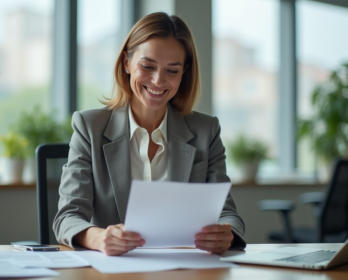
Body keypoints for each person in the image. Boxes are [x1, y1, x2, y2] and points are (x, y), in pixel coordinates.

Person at [53, 12, 246, 256]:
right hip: (113, 270)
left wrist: (226, 234)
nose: (158, 80)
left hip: (183, 269)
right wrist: (99, 237)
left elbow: (228, 213)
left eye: (172, 71)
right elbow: (67, 217)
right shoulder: (89, 127)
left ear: (184, 72)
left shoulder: (206, 131)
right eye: (147, 66)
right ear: (126, 63)